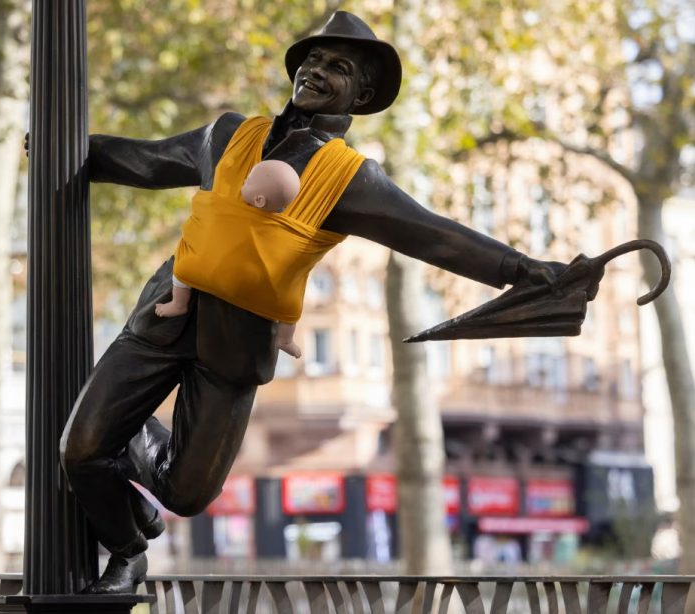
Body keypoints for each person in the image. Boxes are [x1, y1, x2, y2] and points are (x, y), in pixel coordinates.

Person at [60, 10, 565, 593]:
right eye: (313, 59)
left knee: (186, 494)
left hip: (236, 346)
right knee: (81, 450)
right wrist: (73, 150)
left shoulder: (351, 179)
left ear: (362, 93)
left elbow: (436, 234)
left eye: (338, 66)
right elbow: (148, 161)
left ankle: (131, 468)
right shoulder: (228, 133)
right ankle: (127, 553)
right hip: (162, 316)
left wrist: (524, 269)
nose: (316, 70)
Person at [154, 159, 305, 357]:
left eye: (248, 181)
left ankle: (178, 304)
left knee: (183, 268)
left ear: (259, 200)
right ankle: (285, 339)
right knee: (291, 305)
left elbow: (209, 215)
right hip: (262, 289)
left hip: (215, 276)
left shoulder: (230, 207)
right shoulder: (286, 227)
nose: (243, 181)